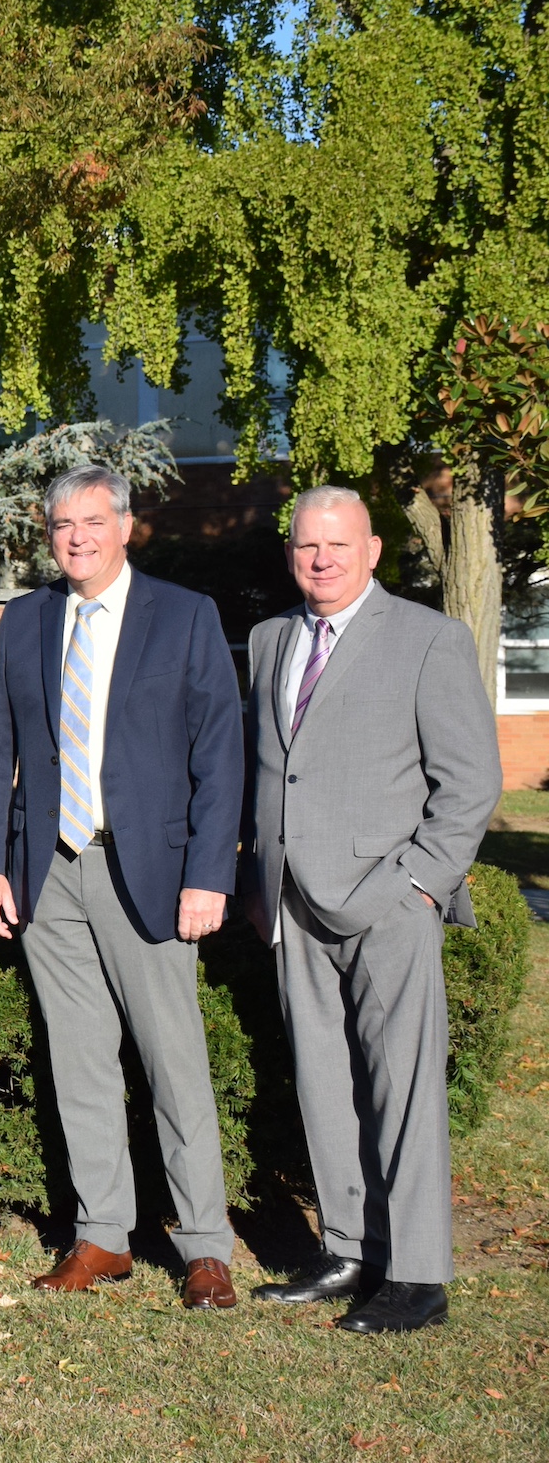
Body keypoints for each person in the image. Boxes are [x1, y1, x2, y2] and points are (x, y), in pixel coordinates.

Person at [0, 465, 243, 1309]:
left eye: (93, 522)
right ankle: (103, 1236)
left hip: (149, 871)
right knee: (80, 1062)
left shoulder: (184, 616)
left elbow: (219, 754)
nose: (77, 537)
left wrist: (208, 876)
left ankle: (205, 1247)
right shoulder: (26, 619)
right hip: (49, 872)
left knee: (173, 1063)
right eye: (62, 525)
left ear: (126, 527)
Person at [241, 487, 499, 1334]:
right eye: (306, 546)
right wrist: (259, 878)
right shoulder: (272, 639)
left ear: (373, 549)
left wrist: (420, 883)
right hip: (292, 902)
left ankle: (418, 1274)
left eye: (338, 545)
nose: (321, 560)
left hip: (387, 899)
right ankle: (349, 1249)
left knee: (402, 1086)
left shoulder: (428, 639)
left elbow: (470, 783)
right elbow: (274, 767)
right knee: (324, 1080)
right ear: (291, 554)